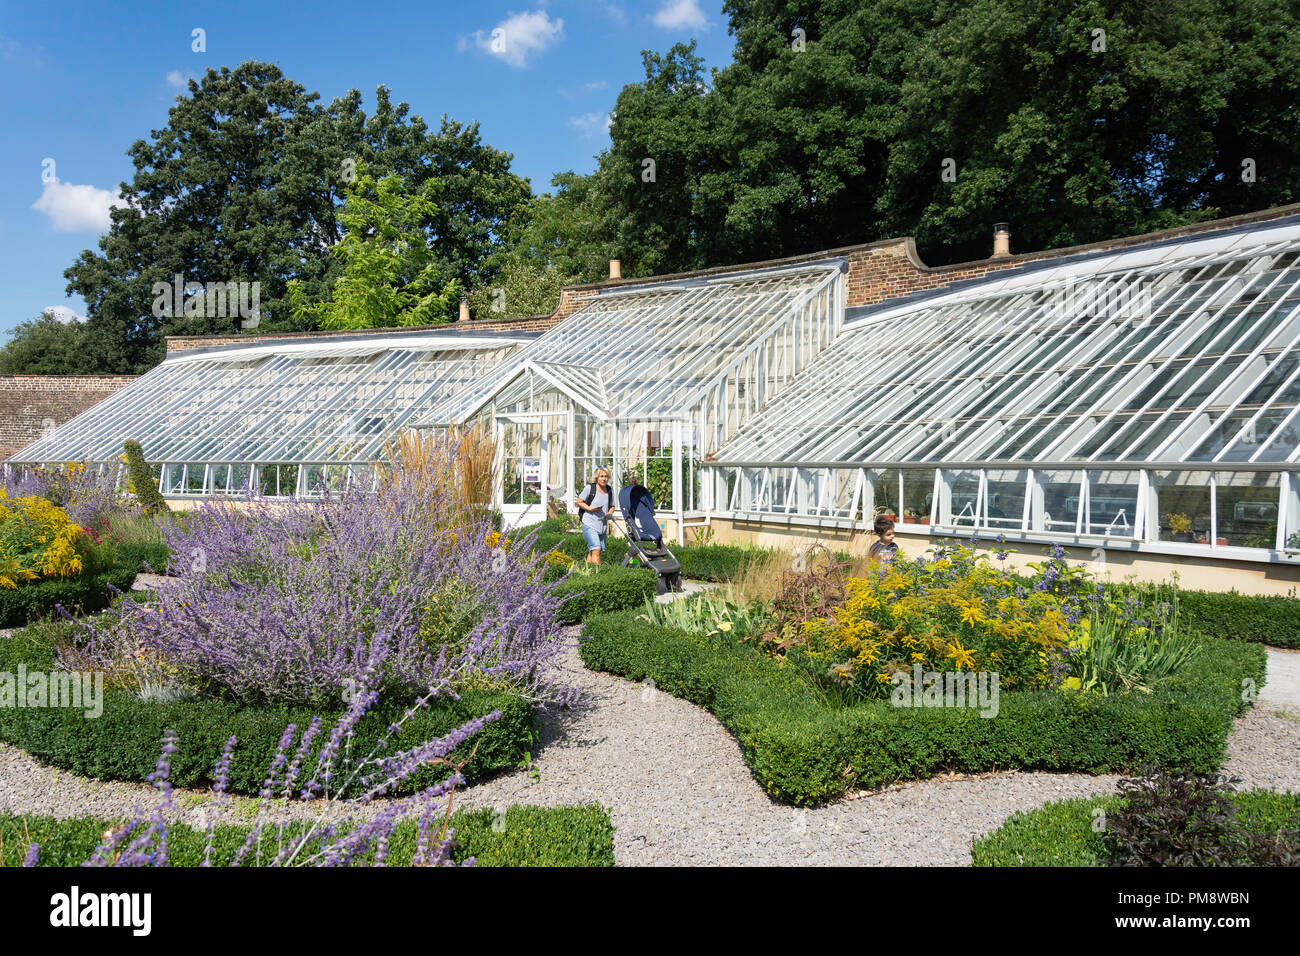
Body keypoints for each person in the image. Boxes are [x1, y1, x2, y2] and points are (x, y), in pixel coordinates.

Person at [576, 467, 615, 564]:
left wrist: (609, 513)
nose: (604, 479)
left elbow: (612, 506)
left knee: (595, 550)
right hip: (589, 523)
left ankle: (588, 572)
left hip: (602, 525)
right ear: (596, 478)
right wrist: (590, 509)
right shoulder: (590, 488)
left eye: (606, 476)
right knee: (596, 549)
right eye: (601, 476)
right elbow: (579, 502)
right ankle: (599, 574)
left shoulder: (610, 490)